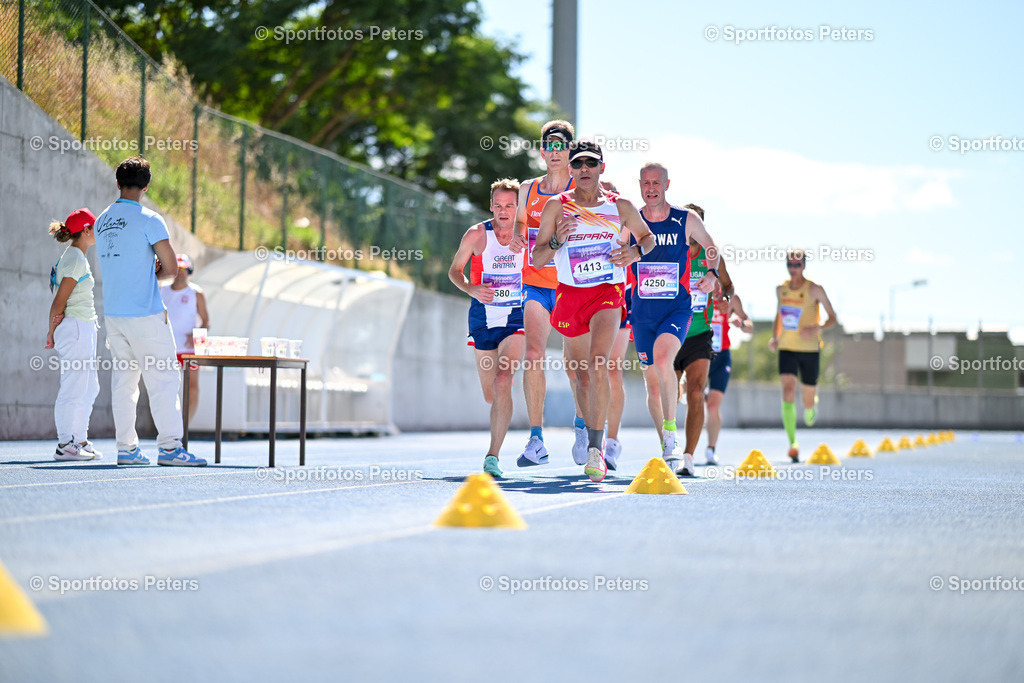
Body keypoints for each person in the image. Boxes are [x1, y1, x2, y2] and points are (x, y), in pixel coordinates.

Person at [532, 141, 656, 482]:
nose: (584, 168)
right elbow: (537, 258)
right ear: (570, 169)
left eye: (591, 162)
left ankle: (596, 450)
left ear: (602, 167)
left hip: (607, 293)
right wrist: (557, 241)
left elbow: (648, 240)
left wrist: (634, 254)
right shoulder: (558, 206)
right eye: (578, 163)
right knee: (579, 375)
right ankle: (584, 427)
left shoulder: (622, 206)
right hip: (571, 294)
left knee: (599, 363)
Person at [94, 157, 206, 467]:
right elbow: (171, 269)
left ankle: (126, 448)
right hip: (145, 314)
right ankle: (170, 448)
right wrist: (152, 273)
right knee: (164, 380)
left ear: (118, 183)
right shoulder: (150, 219)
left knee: (124, 384)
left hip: (114, 315)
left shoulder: (101, 220)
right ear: (147, 186)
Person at [622, 168, 721, 477]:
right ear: (640, 186)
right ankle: (666, 440)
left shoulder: (686, 219)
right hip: (642, 312)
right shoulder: (632, 218)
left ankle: (671, 432)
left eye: (657, 183)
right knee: (652, 385)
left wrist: (712, 273)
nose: (651, 188)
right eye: (646, 183)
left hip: (676, 309)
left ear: (667, 185)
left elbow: (712, 248)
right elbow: (616, 250)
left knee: (665, 359)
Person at [514, 121, 587, 468]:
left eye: (562, 145)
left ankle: (582, 426)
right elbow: (519, 229)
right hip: (535, 282)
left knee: (576, 368)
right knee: (533, 355)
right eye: (550, 146)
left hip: (573, 285)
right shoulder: (528, 189)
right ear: (542, 151)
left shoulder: (582, 188)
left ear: (570, 151)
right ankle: (536, 438)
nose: (555, 151)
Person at [448, 178, 527, 478]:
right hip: (482, 318)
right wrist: (471, 289)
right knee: (490, 393)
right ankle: (501, 414)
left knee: (503, 380)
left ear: (517, 207)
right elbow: (454, 271)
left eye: (510, 205)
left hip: (515, 317)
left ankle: (492, 455)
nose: (504, 211)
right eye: (499, 205)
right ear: (490, 205)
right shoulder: (477, 234)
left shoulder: (526, 234)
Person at [671, 203, 733, 476]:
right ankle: (669, 447)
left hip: (699, 333)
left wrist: (725, 297)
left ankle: (688, 456)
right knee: (669, 395)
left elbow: (728, 284)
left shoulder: (712, 258)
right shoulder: (672, 252)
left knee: (697, 392)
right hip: (671, 331)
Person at [768, 249, 838, 462]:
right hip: (787, 348)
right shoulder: (781, 289)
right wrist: (775, 337)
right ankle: (793, 444)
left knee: (807, 401)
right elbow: (778, 315)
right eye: (790, 265)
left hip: (809, 350)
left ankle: (810, 405)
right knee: (788, 389)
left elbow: (833, 318)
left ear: (804, 266)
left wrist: (814, 329)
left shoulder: (815, 289)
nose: (793, 269)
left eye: (797, 265)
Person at [45, 209, 102, 461]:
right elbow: (59, 301)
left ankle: (79, 440)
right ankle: (65, 445)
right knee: (74, 387)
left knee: (89, 387)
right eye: (95, 227)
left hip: (84, 326)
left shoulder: (76, 256)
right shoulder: (76, 258)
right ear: (87, 230)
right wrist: (51, 332)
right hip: (77, 327)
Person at [703, 285, 753, 465]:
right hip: (700, 354)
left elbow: (749, 326)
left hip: (721, 356)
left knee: (713, 405)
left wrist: (742, 324)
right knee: (693, 396)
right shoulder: (700, 289)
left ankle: (711, 448)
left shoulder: (732, 299)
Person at [160, 254, 210, 422]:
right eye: (178, 269)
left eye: (184, 269)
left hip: (189, 350)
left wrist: (196, 336)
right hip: (167, 347)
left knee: (192, 388)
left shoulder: (196, 292)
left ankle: (184, 426)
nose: (180, 273)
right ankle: (168, 425)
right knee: (165, 387)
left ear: (190, 271)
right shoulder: (162, 290)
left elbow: (206, 322)